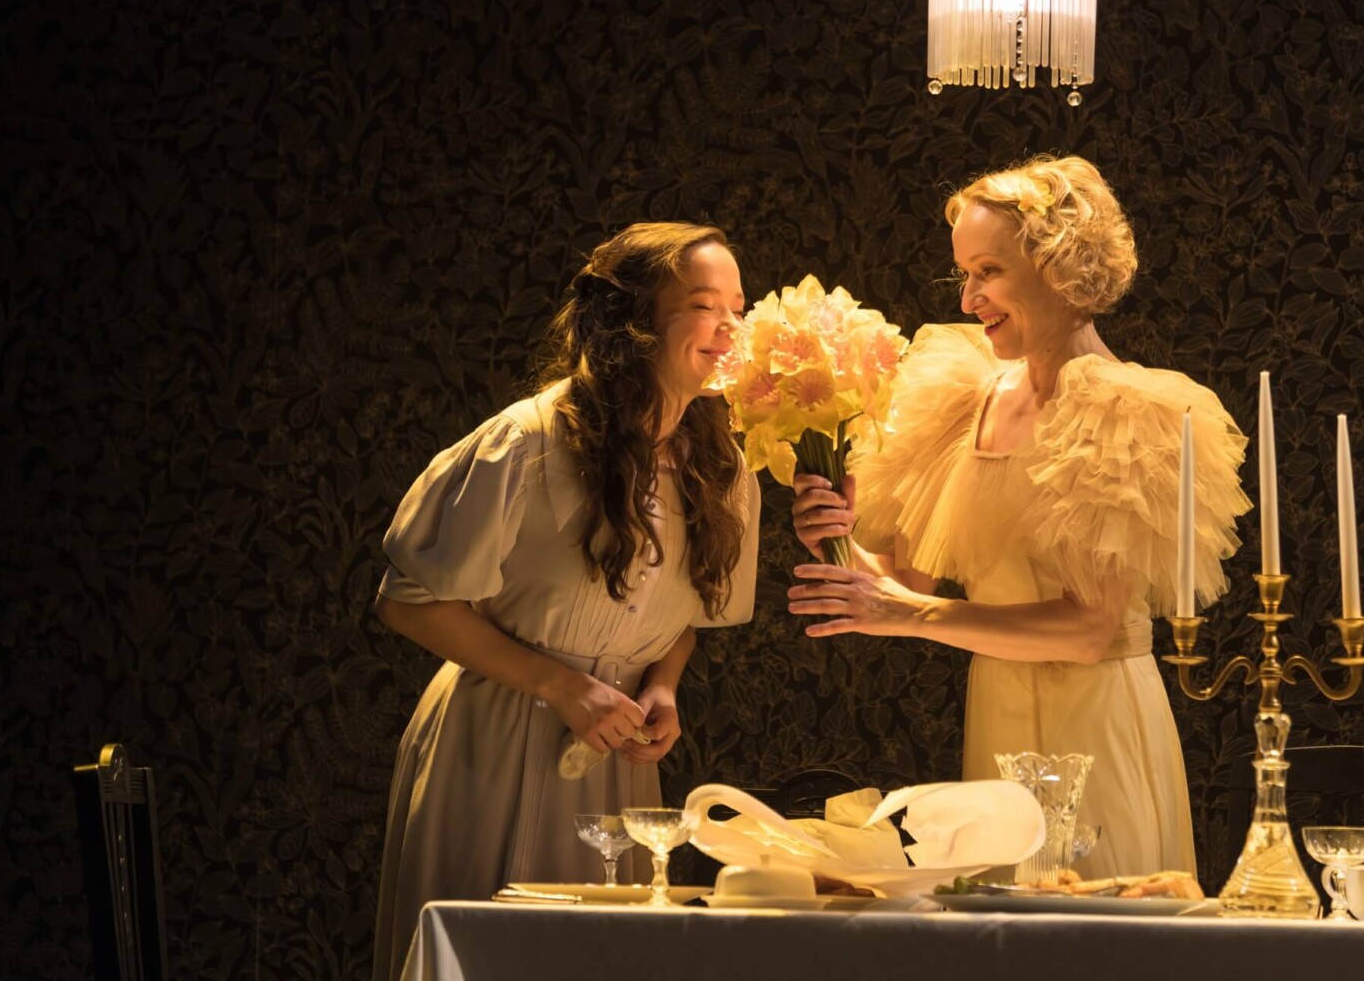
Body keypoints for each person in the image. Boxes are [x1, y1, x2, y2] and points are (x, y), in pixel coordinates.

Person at [788, 157, 1251, 879]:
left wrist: (907, 614)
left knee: (1100, 923)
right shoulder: (962, 396)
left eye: (989, 271)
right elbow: (906, 577)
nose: (969, 297)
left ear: (1059, 266)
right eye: (965, 274)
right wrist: (835, 537)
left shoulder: (1126, 413)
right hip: (998, 717)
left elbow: (1088, 629)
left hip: (1097, 728)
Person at [371, 223, 759, 981]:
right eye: (703, 306)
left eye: (737, 309)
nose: (729, 329)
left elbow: (682, 620)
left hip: (616, 761)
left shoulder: (722, 467)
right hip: (494, 746)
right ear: (635, 320)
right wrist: (560, 685)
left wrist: (662, 683)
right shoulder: (527, 442)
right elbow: (408, 601)